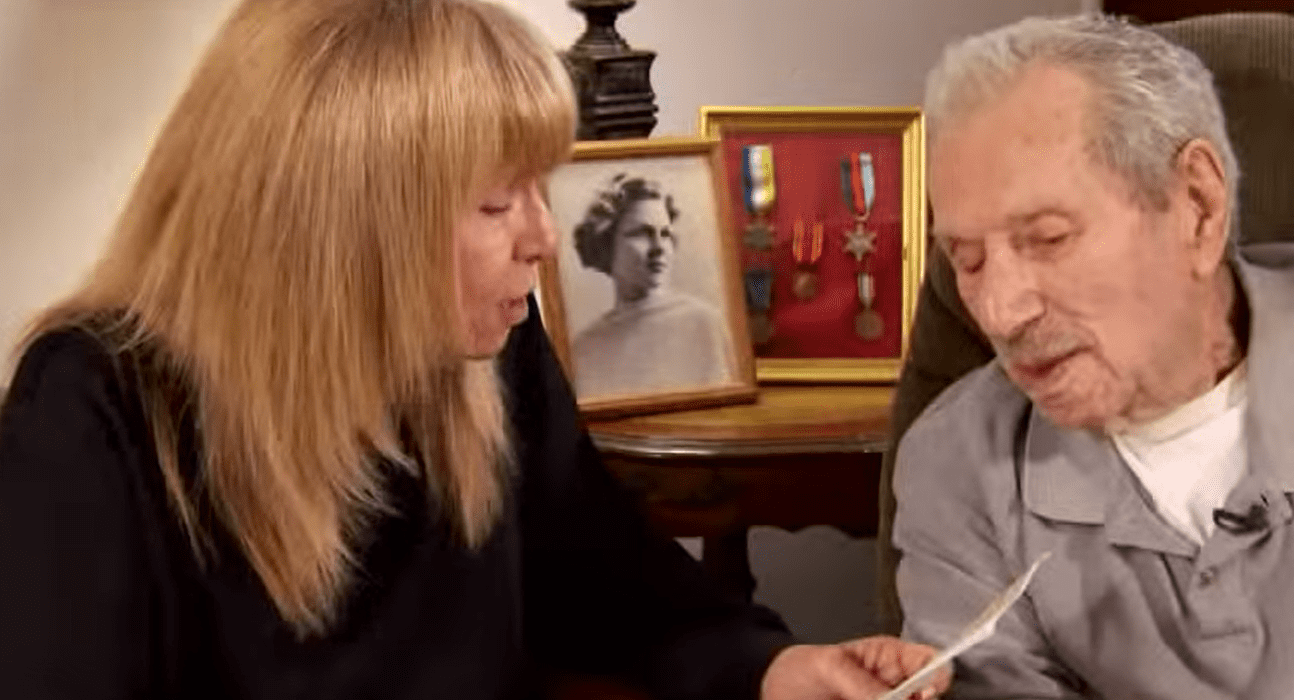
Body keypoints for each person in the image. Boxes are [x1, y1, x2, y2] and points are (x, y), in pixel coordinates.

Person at [0, 1, 951, 699]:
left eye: (541, 189)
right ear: (343, 224)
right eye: (497, 202)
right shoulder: (96, 408)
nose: (544, 239)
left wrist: (784, 669)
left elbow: (618, 591)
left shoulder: (490, 359)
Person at [893, 13, 1294, 700]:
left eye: (1047, 239)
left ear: (1198, 207)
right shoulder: (960, 468)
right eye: (965, 261)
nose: (998, 310)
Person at [570, 174, 734, 399]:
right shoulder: (584, 347)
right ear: (606, 244)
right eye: (642, 233)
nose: (659, 247)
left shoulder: (704, 324)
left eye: (665, 234)